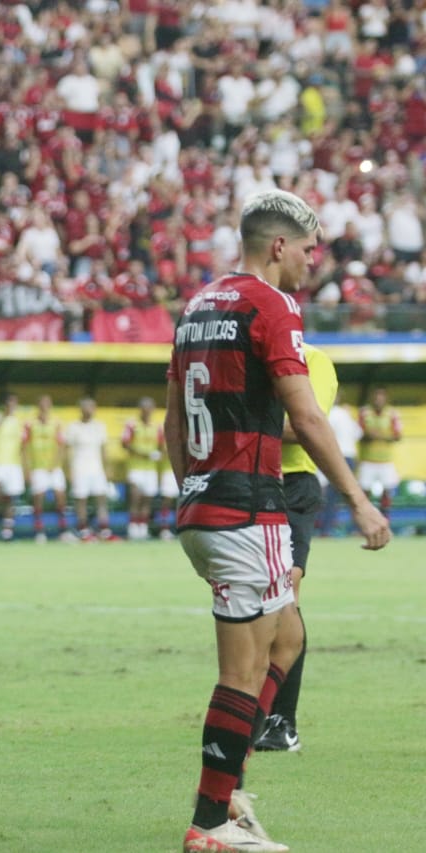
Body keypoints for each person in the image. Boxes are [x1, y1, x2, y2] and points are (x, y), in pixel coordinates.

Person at [165, 189, 389, 853]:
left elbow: (172, 422)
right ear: (277, 247)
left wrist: (192, 493)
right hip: (248, 506)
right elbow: (308, 416)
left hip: (206, 502)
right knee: (242, 670)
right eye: (310, 248)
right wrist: (357, 497)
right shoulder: (271, 303)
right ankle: (212, 821)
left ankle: (228, 784)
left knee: (287, 640)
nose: (314, 261)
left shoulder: (198, 304)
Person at [256, 343, 337, 753]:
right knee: (249, 599)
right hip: (246, 481)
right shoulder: (247, 357)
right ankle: (253, 712)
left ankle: (282, 722)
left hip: (292, 485)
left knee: (286, 595)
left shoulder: (314, 361)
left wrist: (248, 420)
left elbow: (305, 423)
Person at [65, 396, 114, 541]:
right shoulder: (73, 426)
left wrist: (107, 468)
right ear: (81, 409)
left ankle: (104, 529)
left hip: (96, 468)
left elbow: (103, 449)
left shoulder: (99, 426)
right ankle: (83, 529)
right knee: (81, 499)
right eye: (86, 407)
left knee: (101, 498)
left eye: (92, 407)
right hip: (79, 467)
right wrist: (68, 470)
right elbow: (67, 450)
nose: (89, 410)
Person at [23, 395, 69, 543]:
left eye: (47, 404)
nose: (44, 406)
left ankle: (63, 530)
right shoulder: (30, 424)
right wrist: (27, 468)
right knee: (38, 498)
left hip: (53, 468)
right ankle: (39, 530)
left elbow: (62, 446)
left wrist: (56, 464)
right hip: (37, 467)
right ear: (38, 405)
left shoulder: (56, 423)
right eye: (42, 403)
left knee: (60, 496)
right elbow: (23, 447)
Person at [122, 397, 165, 541]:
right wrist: (143, 454)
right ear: (140, 409)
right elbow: (125, 444)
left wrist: (157, 455)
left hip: (151, 469)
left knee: (147, 499)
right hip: (136, 468)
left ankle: (143, 527)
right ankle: (133, 527)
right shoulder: (132, 425)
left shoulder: (157, 426)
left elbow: (160, 445)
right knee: (136, 498)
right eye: (144, 408)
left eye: (149, 408)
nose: (147, 411)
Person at [318, 392, 362, 535]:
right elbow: (359, 433)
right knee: (351, 495)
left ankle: (326, 529)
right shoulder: (345, 413)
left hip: (336, 456)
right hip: (350, 456)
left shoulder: (328, 412)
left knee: (330, 496)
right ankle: (356, 529)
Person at [0, 393, 24, 542]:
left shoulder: (18, 421)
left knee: (10, 498)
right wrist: (4, 415)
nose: (12, 406)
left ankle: (7, 530)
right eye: (9, 403)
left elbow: (22, 444)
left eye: (14, 403)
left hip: (14, 464)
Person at [357, 387, 401, 520]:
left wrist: (381, 436)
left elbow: (397, 436)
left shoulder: (392, 413)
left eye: (381, 398)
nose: (378, 400)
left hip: (385, 460)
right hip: (368, 460)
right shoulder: (364, 412)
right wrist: (368, 435)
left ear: (386, 399)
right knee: (364, 492)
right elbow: (358, 433)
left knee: (387, 491)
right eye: (376, 397)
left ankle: (385, 519)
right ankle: (366, 520)